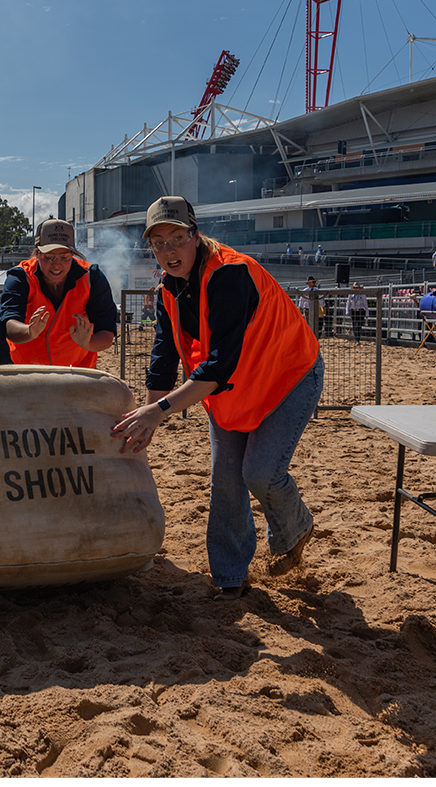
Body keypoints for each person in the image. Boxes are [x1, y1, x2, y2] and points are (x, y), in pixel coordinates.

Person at [113, 196, 323, 601]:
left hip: (288, 375)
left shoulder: (230, 274)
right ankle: (230, 576)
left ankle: (295, 529)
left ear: (195, 235)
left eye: (177, 238)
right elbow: (163, 357)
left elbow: (219, 363)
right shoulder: (168, 288)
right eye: (159, 243)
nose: (169, 251)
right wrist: (150, 415)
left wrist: (156, 412)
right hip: (235, 390)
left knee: (260, 473)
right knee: (226, 481)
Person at [0, 218, 116, 368]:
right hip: (27, 370)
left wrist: (88, 342)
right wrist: (29, 332)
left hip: (77, 370)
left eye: (64, 256)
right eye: (49, 256)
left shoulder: (92, 277)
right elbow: (8, 323)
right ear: (37, 253)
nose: (57, 264)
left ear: (73, 254)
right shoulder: (21, 276)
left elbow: (106, 331)